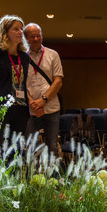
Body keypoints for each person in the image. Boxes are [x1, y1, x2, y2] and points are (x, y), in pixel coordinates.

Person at [24, 23, 64, 155]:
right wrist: (33, 104)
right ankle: (32, 175)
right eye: (32, 37)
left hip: (51, 107)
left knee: (52, 146)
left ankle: (51, 175)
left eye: (38, 36)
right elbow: (20, 84)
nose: (36, 39)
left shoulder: (53, 54)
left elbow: (58, 81)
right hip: (31, 110)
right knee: (31, 147)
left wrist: (43, 100)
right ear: (26, 38)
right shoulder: (22, 57)